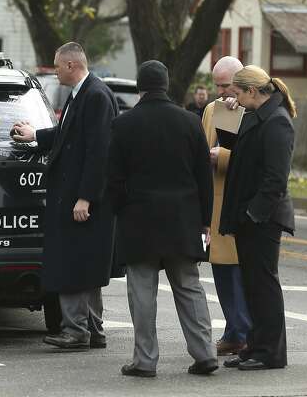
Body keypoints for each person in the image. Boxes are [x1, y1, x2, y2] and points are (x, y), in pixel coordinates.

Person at [108, 60, 217, 377]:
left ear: (140, 87)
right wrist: (205, 219)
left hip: (139, 219)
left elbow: (113, 178)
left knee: (142, 291)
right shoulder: (189, 122)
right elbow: (203, 177)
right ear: (166, 85)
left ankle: (145, 360)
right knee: (189, 287)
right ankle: (205, 353)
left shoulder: (124, 124)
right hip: (183, 219)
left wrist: (121, 210)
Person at [11, 42, 118, 350]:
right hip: (74, 197)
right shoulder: (83, 94)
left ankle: (76, 331)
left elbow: (99, 151)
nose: (55, 71)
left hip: (80, 199)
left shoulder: (95, 96)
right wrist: (36, 136)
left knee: (73, 264)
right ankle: (92, 330)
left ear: (72, 66)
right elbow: (69, 135)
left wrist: (86, 197)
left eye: (57, 66)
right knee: (86, 266)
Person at [220, 65, 296, 371]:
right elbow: (230, 147)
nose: (233, 97)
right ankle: (254, 345)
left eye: (237, 93)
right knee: (252, 285)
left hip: (263, 218)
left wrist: (253, 214)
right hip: (247, 215)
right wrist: (229, 113)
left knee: (264, 285)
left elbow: (276, 179)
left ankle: (271, 352)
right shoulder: (255, 115)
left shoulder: (278, 122)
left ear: (252, 91)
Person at [202, 56, 252, 356]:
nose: (221, 92)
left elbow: (250, 161)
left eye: (226, 85)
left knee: (236, 273)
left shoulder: (250, 111)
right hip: (213, 204)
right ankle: (234, 330)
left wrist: (218, 156)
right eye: (217, 85)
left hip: (236, 204)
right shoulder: (210, 109)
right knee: (221, 272)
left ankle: (242, 331)